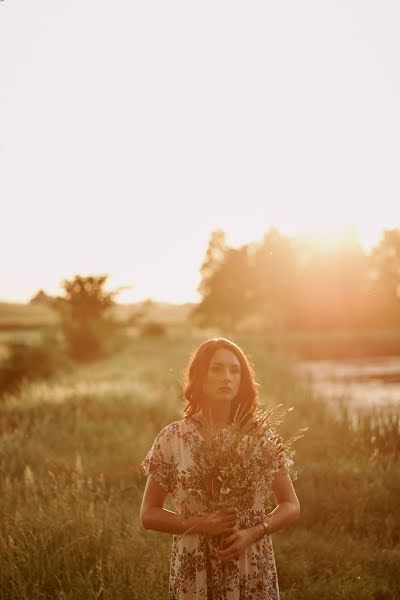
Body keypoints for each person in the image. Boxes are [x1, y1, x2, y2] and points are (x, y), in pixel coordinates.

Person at [140, 338, 301, 600]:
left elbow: (291, 505)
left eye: (235, 370)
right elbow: (148, 514)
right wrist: (202, 524)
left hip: (251, 562)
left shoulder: (260, 437)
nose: (227, 377)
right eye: (217, 369)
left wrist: (253, 533)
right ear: (200, 376)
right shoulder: (173, 438)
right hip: (194, 566)